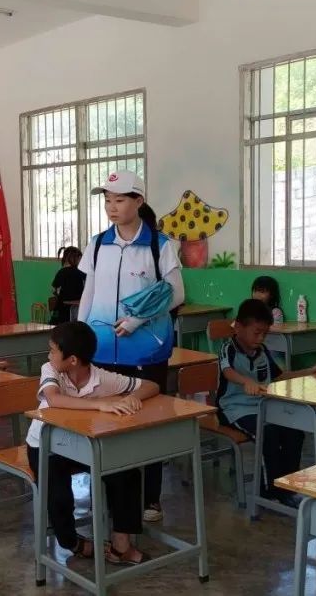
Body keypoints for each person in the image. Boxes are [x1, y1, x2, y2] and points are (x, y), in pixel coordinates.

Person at [76, 170, 184, 523]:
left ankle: (150, 498)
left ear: (138, 201)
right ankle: (113, 494)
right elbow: (89, 292)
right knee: (107, 420)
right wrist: (81, 335)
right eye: (107, 200)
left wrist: (138, 320)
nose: (112, 206)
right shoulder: (97, 244)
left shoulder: (159, 245)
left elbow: (176, 294)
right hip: (103, 350)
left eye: (120, 199)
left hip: (146, 351)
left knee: (148, 422)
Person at [26, 321, 159, 565]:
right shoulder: (51, 370)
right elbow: (54, 399)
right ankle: (73, 543)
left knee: (125, 472)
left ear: (72, 360)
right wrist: (100, 404)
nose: (49, 355)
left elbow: (151, 386)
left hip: (83, 447)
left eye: (53, 350)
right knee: (59, 496)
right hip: (44, 447)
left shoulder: (101, 378)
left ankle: (121, 545)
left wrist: (132, 398)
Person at [217, 299, 316, 507]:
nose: (261, 338)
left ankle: (287, 485)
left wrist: (310, 371)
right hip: (234, 409)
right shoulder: (228, 348)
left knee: (294, 432)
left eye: (265, 333)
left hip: (265, 407)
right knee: (267, 434)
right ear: (239, 327)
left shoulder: (262, 351)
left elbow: (279, 376)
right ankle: (269, 489)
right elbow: (228, 371)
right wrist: (246, 382)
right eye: (256, 333)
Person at [51, 246, 85, 324]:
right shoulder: (81, 272)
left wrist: (57, 295)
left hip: (63, 309)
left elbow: (53, 289)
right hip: (77, 307)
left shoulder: (61, 272)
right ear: (76, 259)